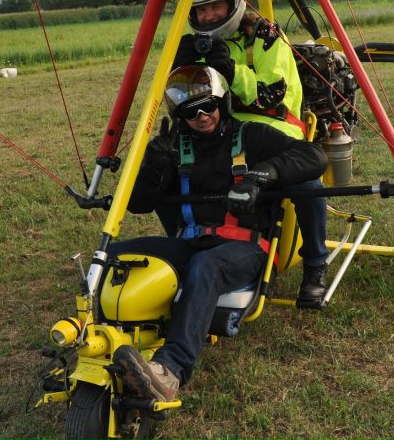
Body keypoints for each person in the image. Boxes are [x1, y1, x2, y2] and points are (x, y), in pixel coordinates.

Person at [111, 64, 327, 401]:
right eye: (190, 111)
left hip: (243, 249)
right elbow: (139, 204)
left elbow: (314, 156)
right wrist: (154, 165)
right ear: (180, 115)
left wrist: (263, 175)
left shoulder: (253, 136)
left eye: (208, 105)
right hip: (192, 243)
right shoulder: (175, 147)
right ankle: (104, 345)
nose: (202, 116)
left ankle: (170, 371)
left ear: (222, 101)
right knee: (118, 255)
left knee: (206, 266)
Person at [173, 0, 330, 303]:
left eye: (216, 6)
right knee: (169, 168)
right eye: (201, 11)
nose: (210, 17)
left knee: (306, 183)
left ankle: (316, 262)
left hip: (272, 134)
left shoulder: (268, 38)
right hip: (223, 136)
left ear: (234, 3)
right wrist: (179, 69)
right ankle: (190, 246)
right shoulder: (200, 46)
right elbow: (185, 101)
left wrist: (230, 70)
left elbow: (272, 95)